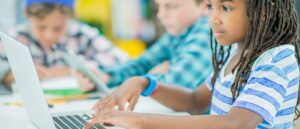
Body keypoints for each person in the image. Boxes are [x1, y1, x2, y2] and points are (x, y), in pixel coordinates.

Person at [86, 0, 300, 129]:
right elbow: (195, 100)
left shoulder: (275, 61)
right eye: (211, 7)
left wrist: (138, 121)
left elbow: (236, 124)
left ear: (264, 11)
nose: (213, 19)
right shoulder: (236, 51)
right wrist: (145, 84)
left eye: (225, 7)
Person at [0, 0, 128, 91]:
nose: (49, 35)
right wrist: (9, 74)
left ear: (70, 19)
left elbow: (121, 59)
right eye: (41, 27)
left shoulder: (81, 34)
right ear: (27, 16)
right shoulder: (15, 36)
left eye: (58, 28)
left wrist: (71, 69)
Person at [97, 0, 212, 89]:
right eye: (159, 6)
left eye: (172, 6)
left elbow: (176, 84)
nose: (161, 15)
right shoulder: (178, 31)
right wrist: (107, 77)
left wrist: (146, 80)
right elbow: (144, 62)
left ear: (204, 6)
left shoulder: (206, 29)